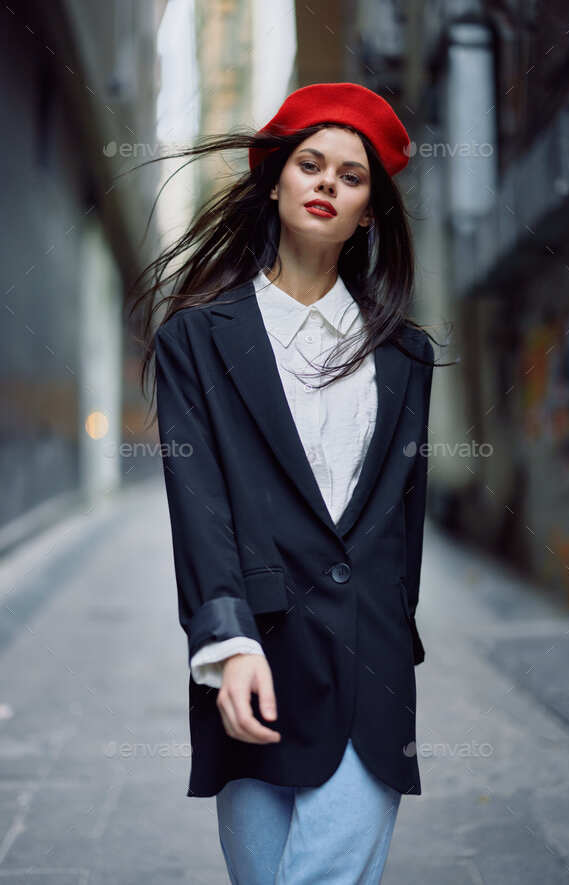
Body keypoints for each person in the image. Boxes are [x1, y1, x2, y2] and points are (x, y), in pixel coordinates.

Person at [131, 81, 444, 884]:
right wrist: (226, 639)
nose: (326, 184)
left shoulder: (406, 356)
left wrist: (390, 629)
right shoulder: (196, 340)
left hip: (366, 677)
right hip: (253, 667)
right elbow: (199, 508)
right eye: (310, 164)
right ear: (275, 181)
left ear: (368, 210)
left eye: (351, 175)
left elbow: (399, 524)